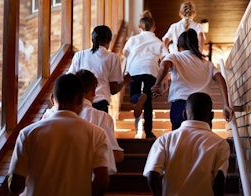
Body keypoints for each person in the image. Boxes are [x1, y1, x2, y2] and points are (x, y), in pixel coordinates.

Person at [8, 73, 116, 196]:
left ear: (52, 98)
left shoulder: (28, 133)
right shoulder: (96, 134)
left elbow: (16, 185)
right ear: (80, 99)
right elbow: (102, 181)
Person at [143, 92, 230, 196]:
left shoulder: (165, 140)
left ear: (184, 114)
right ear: (212, 116)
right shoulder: (220, 144)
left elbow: (152, 174)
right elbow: (219, 179)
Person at [151, 29, 233, 130]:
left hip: (181, 104)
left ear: (178, 47)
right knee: (202, 140)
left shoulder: (174, 57)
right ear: (196, 46)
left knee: (180, 139)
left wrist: (158, 83)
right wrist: (226, 104)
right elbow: (220, 78)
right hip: (203, 105)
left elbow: (164, 66)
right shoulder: (207, 64)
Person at [42, 69, 124, 163]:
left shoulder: (46, 116)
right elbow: (114, 156)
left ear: (52, 98)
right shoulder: (100, 118)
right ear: (93, 90)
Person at [122, 10, 169, 139]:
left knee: (133, 96)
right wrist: (164, 78)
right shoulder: (158, 41)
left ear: (139, 28)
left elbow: (125, 53)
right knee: (148, 102)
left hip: (134, 70)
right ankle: (149, 132)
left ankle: (138, 98)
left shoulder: (133, 39)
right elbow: (166, 59)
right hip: (151, 70)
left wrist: (124, 71)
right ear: (154, 28)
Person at [67, 25, 131, 113]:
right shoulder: (112, 58)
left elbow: (70, 79)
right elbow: (113, 89)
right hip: (100, 105)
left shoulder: (80, 55)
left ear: (92, 40)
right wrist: (126, 80)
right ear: (109, 41)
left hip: (80, 104)